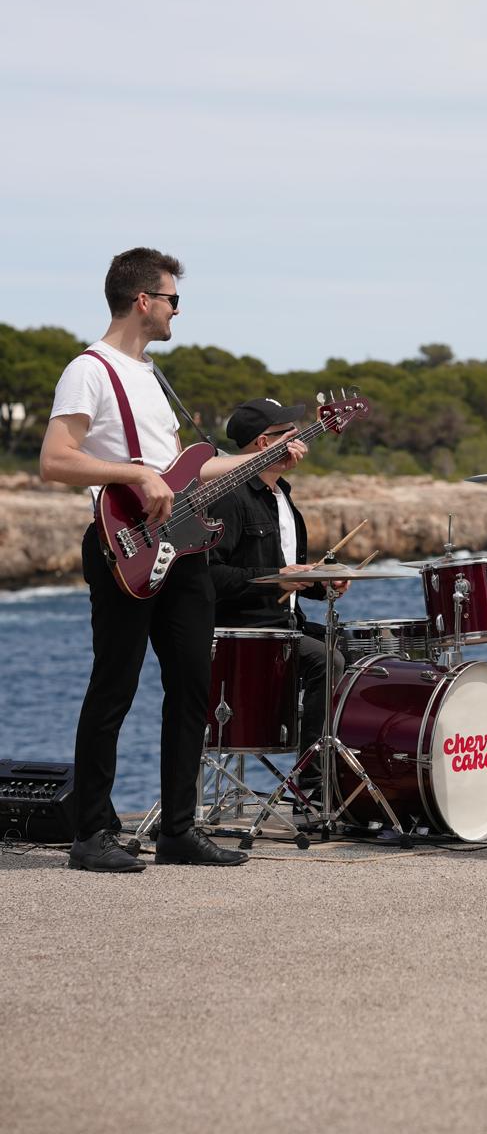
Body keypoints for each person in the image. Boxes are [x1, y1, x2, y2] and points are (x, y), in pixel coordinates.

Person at [40, 248, 306, 872]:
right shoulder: (90, 371)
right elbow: (55, 460)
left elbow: (183, 474)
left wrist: (260, 459)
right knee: (115, 684)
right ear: (143, 302)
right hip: (121, 546)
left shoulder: (155, 376)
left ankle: (178, 831)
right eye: (172, 300)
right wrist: (132, 473)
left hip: (183, 546)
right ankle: (91, 835)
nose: (177, 312)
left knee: (191, 685)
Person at [208, 398, 349, 801]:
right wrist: (276, 581)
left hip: (286, 624)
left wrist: (323, 583)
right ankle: (313, 785)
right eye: (289, 434)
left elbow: (289, 573)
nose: (298, 441)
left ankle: (349, 774)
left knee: (356, 653)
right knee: (327, 659)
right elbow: (209, 575)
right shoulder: (228, 497)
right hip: (246, 631)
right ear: (261, 443)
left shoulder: (283, 497)